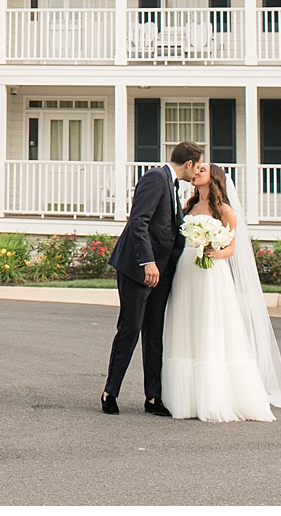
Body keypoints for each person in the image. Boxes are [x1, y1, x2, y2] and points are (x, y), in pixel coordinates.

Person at [163, 163, 281, 421]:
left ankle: (213, 398)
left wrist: (212, 251)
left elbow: (231, 248)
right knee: (187, 326)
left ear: (214, 179)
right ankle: (186, 398)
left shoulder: (224, 211)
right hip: (186, 271)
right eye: (197, 169)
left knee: (210, 326)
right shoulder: (187, 207)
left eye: (203, 170)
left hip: (211, 274)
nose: (197, 172)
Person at [101, 141, 203, 416]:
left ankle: (153, 398)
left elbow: (169, 228)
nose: (198, 173)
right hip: (138, 268)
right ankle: (110, 392)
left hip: (163, 271)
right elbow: (139, 222)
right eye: (198, 166)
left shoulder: (173, 186)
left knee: (154, 332)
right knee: (130, 328)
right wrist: (147, 262)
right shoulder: (155, 178)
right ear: (189, 164)